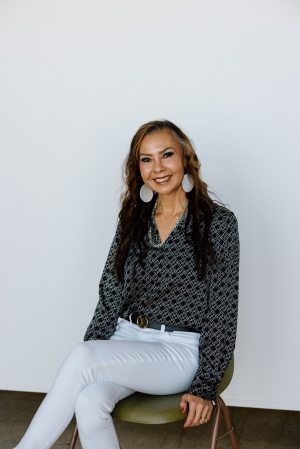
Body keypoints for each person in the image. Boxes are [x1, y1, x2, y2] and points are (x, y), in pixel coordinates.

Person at [15, 120, 239, 449]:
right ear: (138, 168)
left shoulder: (218, 223)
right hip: (127, 337)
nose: (158, 168)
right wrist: (97, 351)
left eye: (166, 155)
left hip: (179, 351)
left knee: (82, 356)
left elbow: (223, 308)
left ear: (186, 159)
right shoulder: (134, 218)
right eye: (146, 159)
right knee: (89, 400)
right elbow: (111, 291)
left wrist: (206, 386)